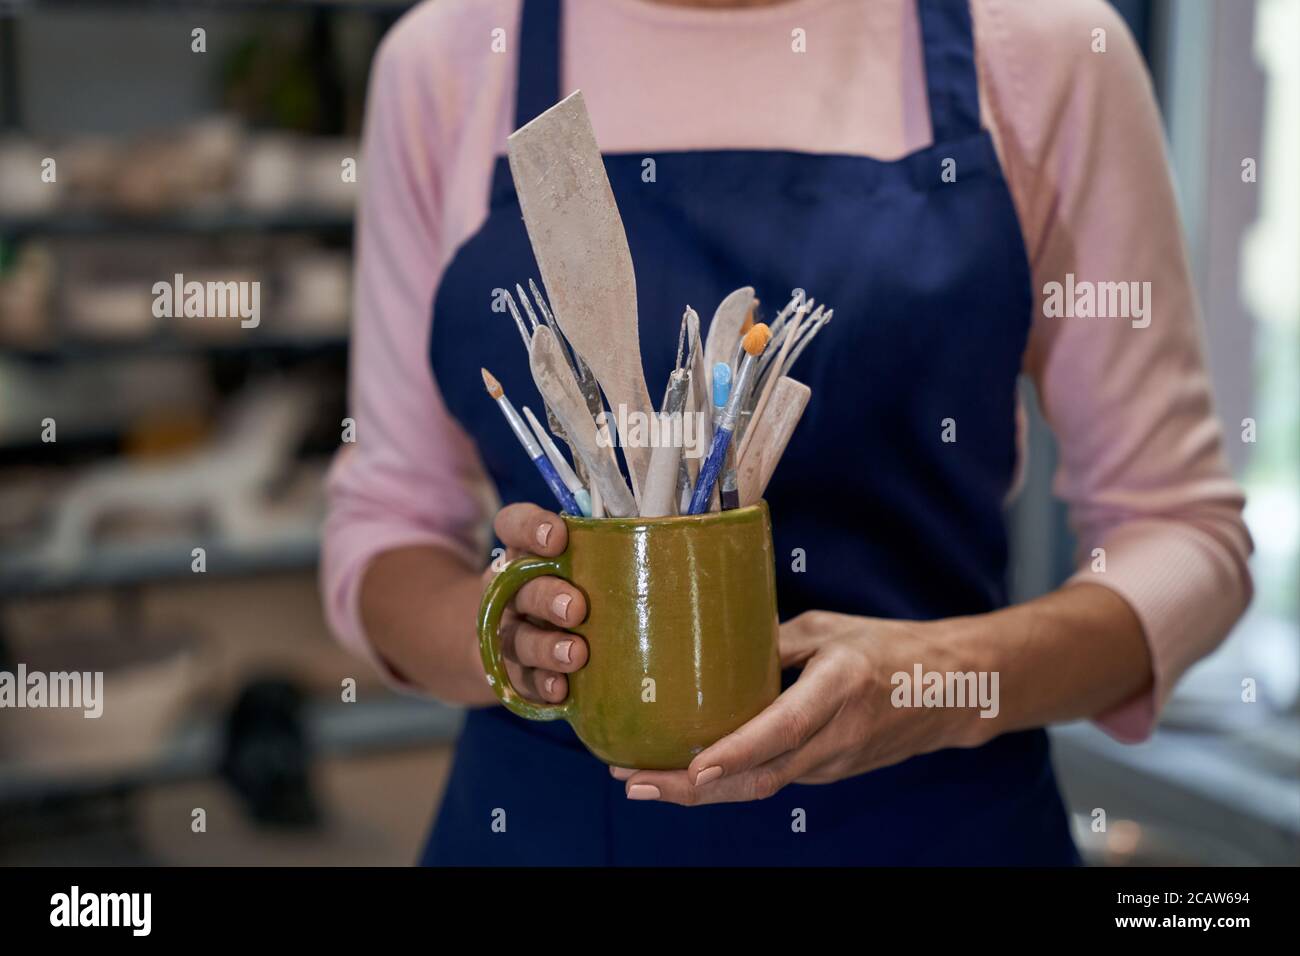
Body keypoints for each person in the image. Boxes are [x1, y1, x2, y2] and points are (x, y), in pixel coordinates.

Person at [321, 0, 1253, 864]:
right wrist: (508, 639)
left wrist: (942, 680)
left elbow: (1185, 540)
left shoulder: (1042, 46)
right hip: (553, 824)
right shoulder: (447, 58)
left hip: (936, 822)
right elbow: (385, 528)